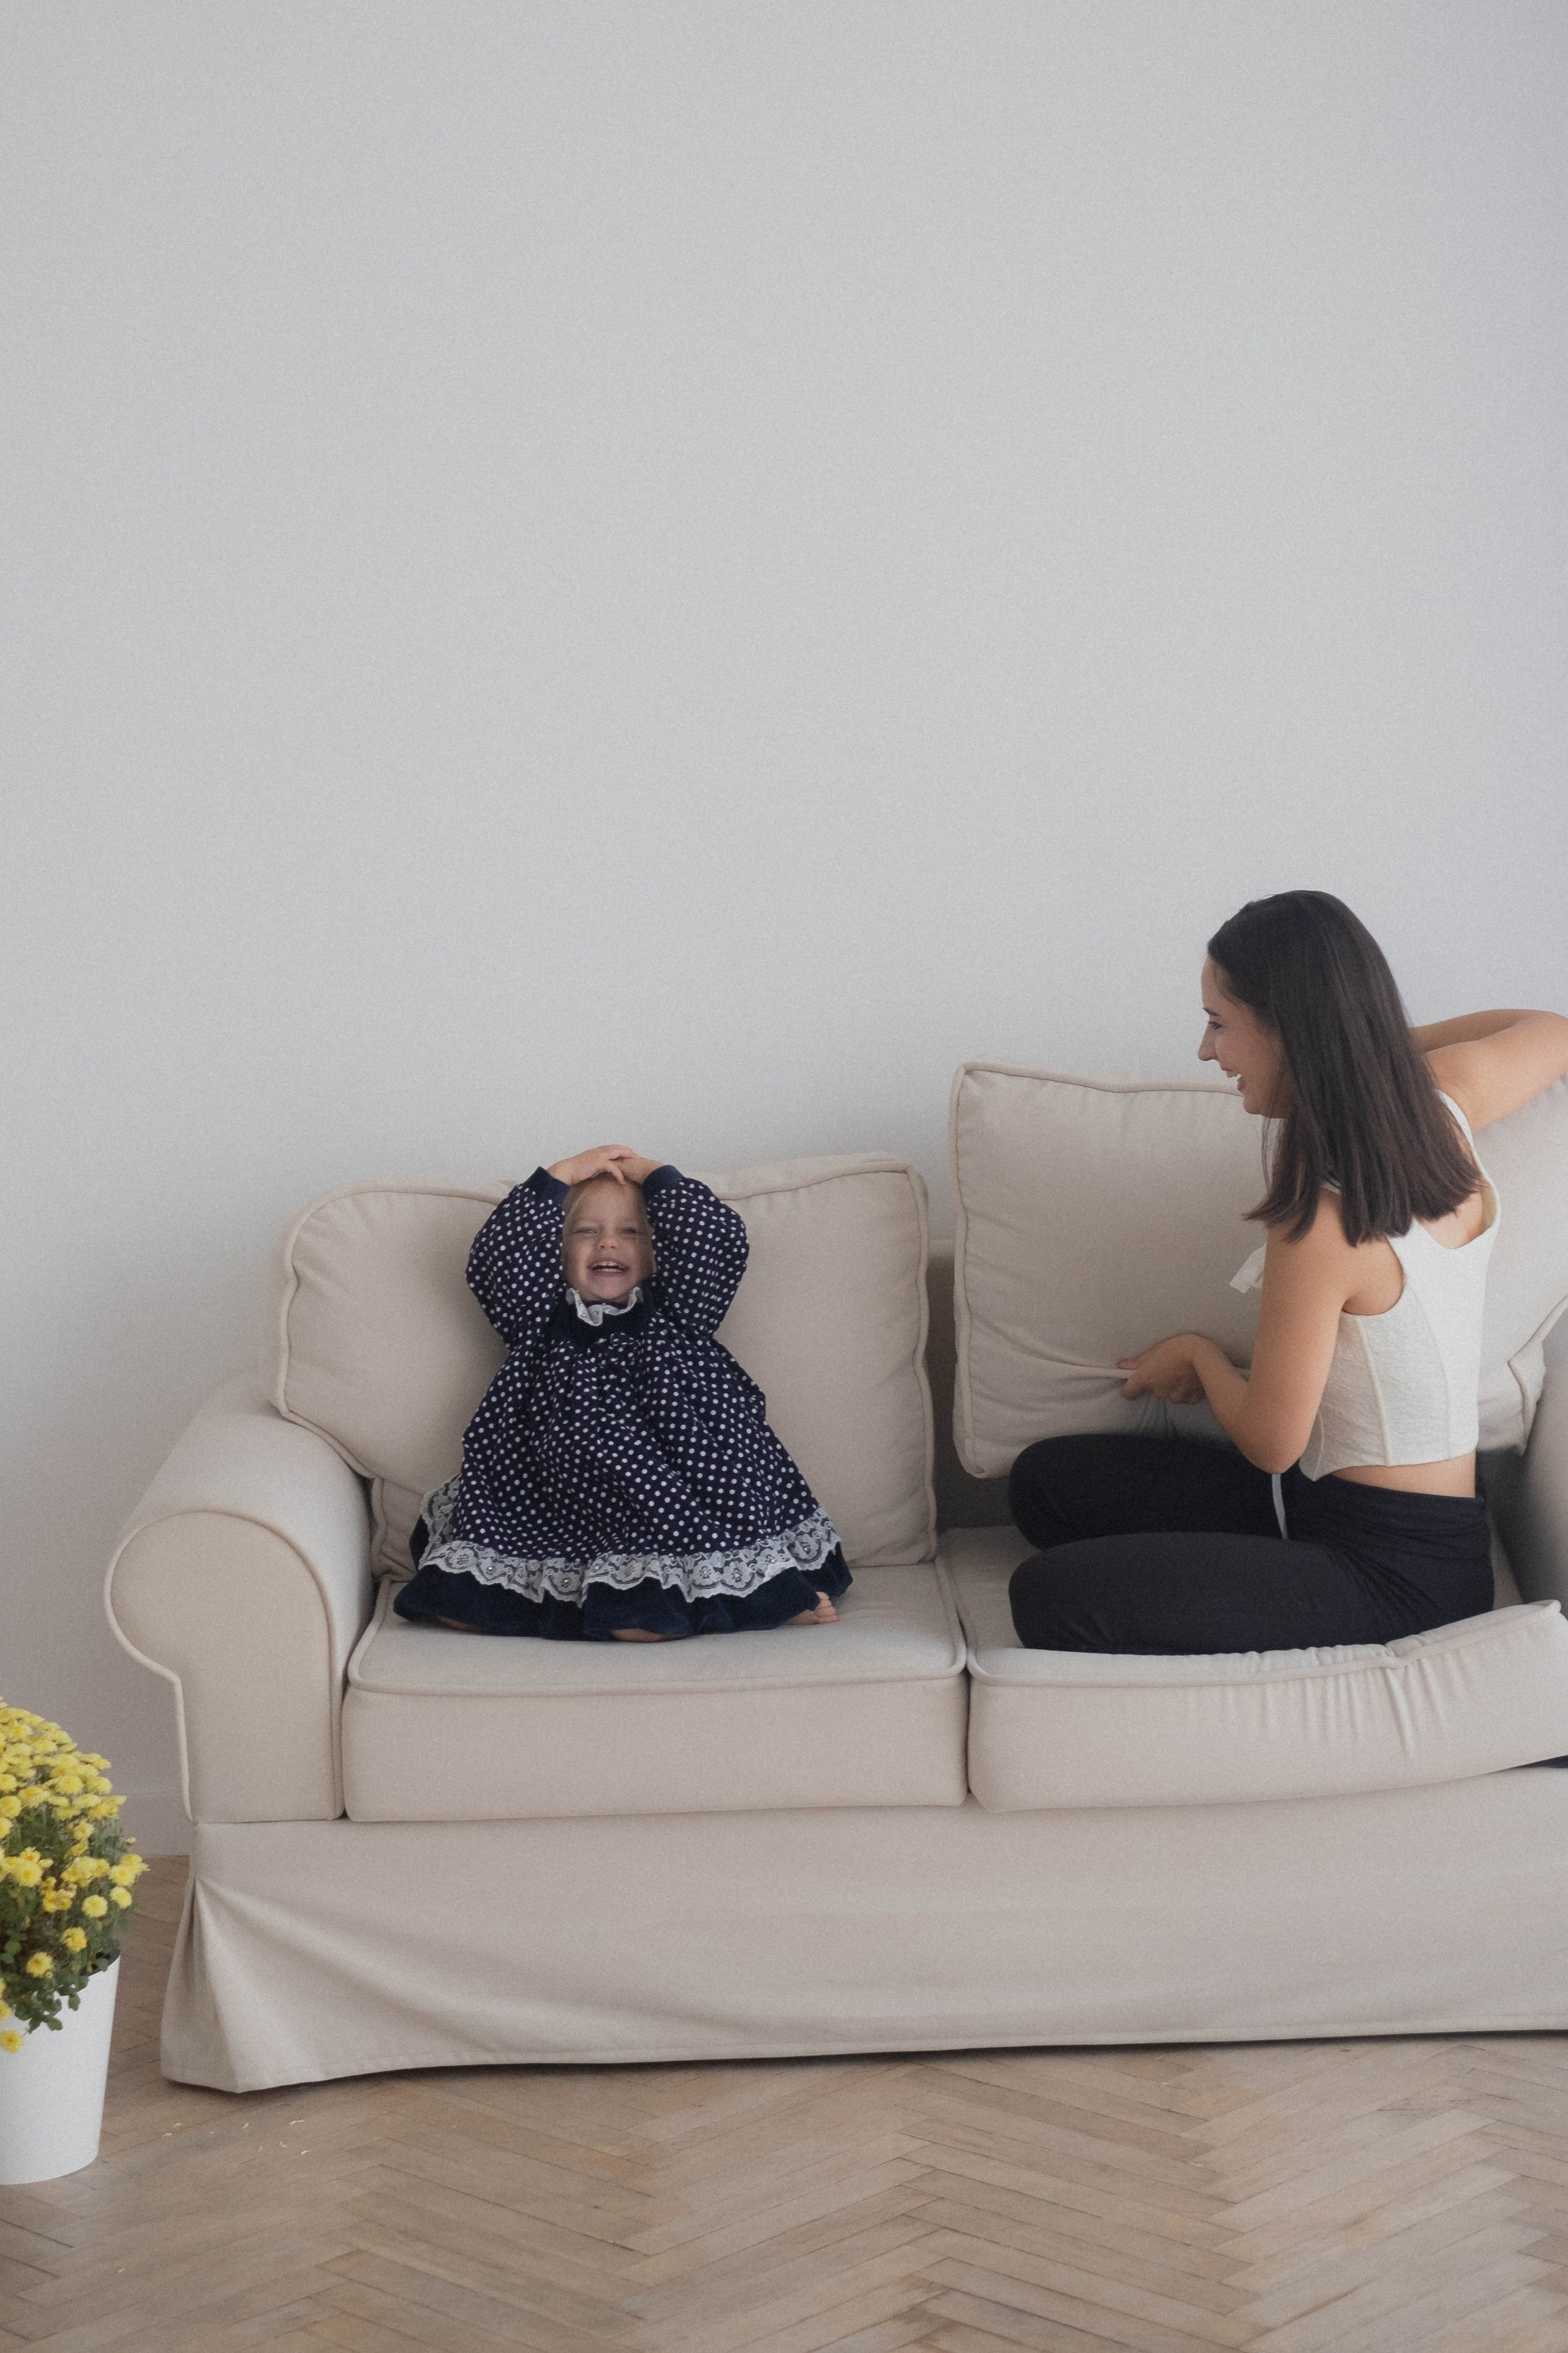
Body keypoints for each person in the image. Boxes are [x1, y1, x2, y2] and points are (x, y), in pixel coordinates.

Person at [1008, 891, 1568, 1655]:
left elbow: (1272, 1442)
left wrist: (1198, 1357)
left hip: (1393, 1571)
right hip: (1324, 1506)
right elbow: (1554, 1032)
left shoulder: (1324, 1221)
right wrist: (1355, 1047)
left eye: (1218, 1023)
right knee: (1043, 1483)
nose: (1208, 1053)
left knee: (1048, 1597)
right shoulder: (1445, 1107)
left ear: (1290, 1030)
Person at [395, 1146, 850, 1641]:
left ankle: (755, 1599)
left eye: (631, 1232)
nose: (608, 1244)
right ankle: (550, 1599)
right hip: (553, 1497)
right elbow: (499, 1258)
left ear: (658, 1252)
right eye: (585, 1231)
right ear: (558, 1250)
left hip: (673, 1495)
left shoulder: (680, 1312)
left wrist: (657, 1177)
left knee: (648, 1603)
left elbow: (712, 1242)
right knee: (464, 1597)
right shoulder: (537, 1318)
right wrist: (559, 1176)